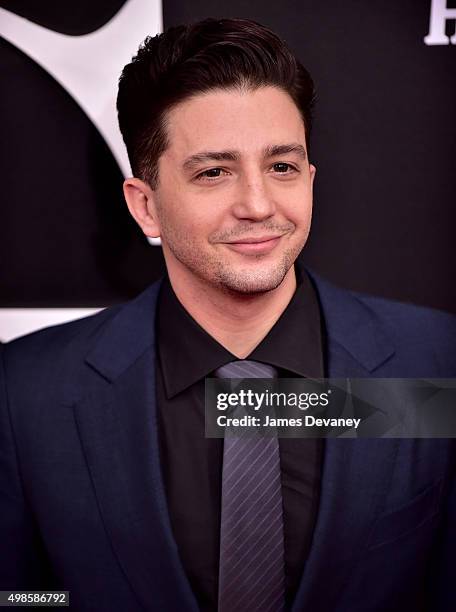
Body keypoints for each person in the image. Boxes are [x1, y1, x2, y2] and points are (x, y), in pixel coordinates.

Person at [1, 17, 455, 612]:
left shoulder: (434, 363)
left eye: (282, 167)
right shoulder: (25, 394)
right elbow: (20, 597)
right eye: (214, 172)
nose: (259, 205)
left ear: (310, 180)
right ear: (146, 207)